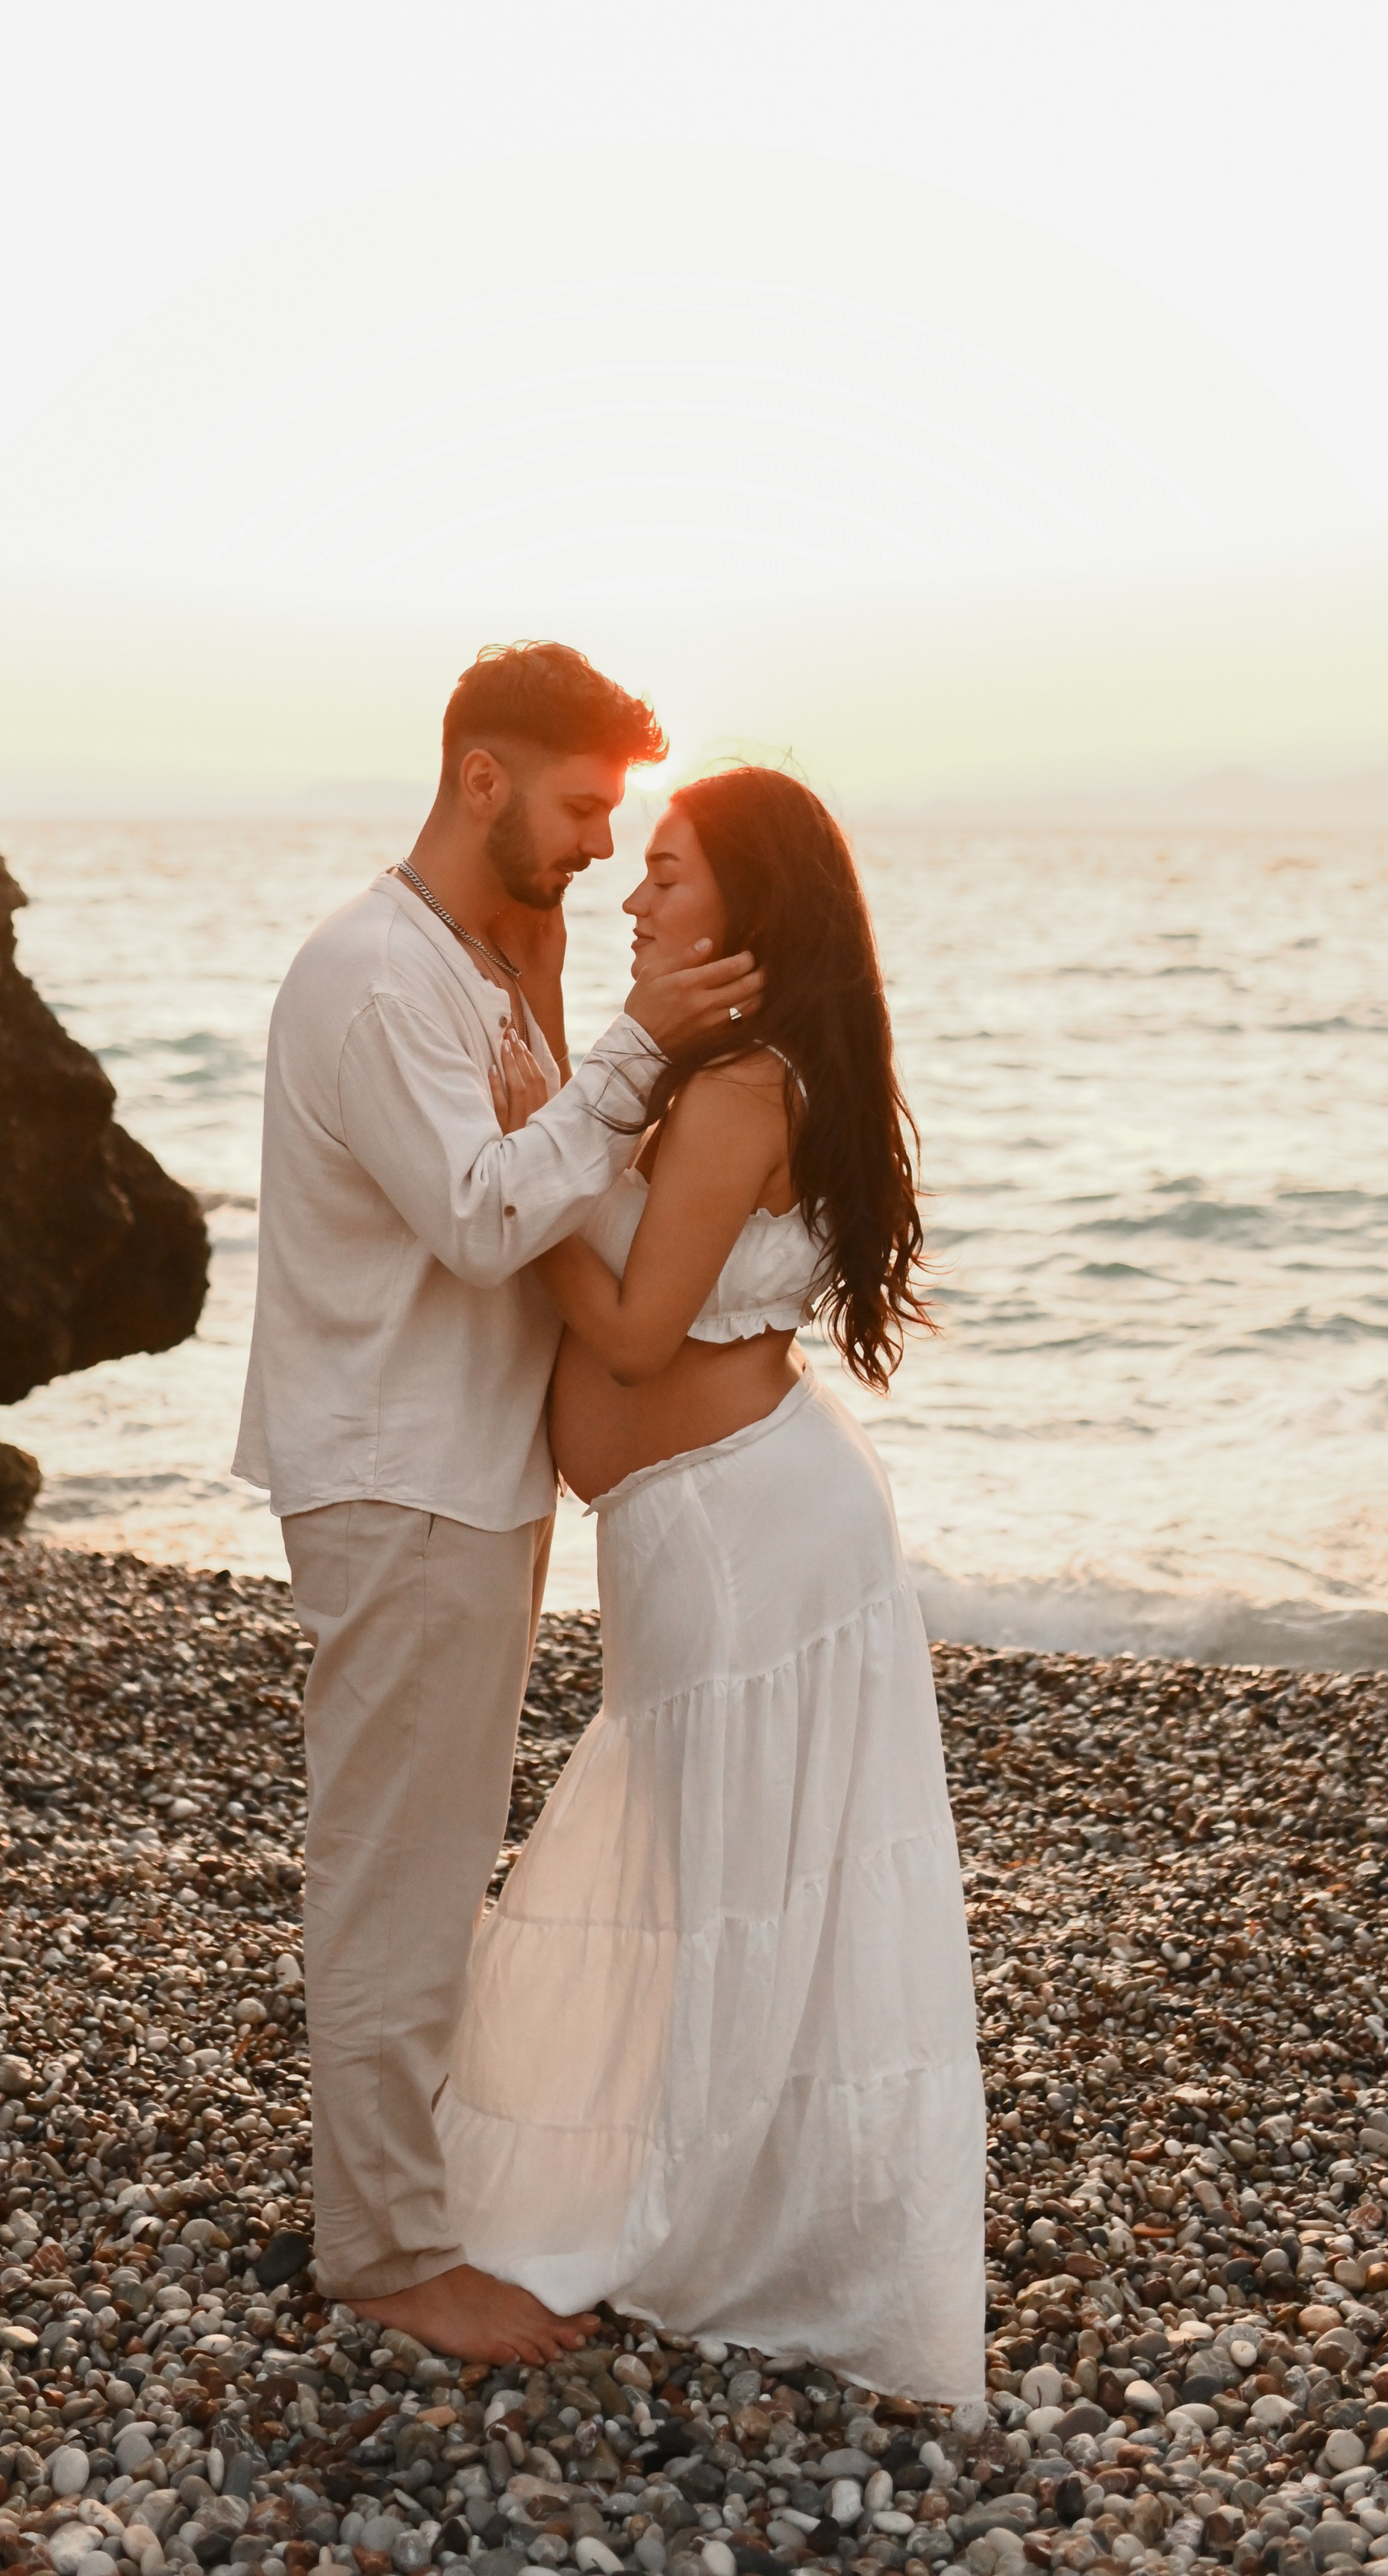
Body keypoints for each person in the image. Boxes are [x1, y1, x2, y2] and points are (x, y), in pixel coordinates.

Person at [234, 642, 763, 2369]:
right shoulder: (374, 977)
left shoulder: (480, 963)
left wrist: (563, 1008)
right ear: (481, 778)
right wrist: (628, 1052)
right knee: (395, 1867)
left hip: (459, 1476)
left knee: (432, 1850)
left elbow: (547, 1192)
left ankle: (401, 2191)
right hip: (398, 1480)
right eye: (583, 806)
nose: (604, 845)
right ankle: (385, 2252)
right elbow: (480, 1219)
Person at [437, 767, 985, 2400]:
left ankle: (733, 2223)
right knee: (727, 1879)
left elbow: (626, 1332)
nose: (634, 897)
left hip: (744, 1534)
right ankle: (735, 2199)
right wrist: (567, 1110)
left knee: (738, 1882)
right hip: (723, 1520)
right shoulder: (730, 1072)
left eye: (666, 872)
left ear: (747, 901)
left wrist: (516, 1176)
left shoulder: (744, 1088)